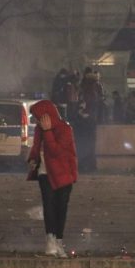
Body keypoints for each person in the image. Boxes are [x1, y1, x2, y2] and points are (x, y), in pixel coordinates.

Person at [26, 100, 78, 258]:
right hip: (45, 173)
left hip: (63, 174)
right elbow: (36, 147)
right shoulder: (39, 130)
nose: (37, 121)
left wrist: (48, 132)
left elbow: (57, 152)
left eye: (39, 117)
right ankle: (50, 239)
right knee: (48, 205)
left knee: (60, 208)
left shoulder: (64, 129)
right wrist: (33, 160)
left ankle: (58, 241)